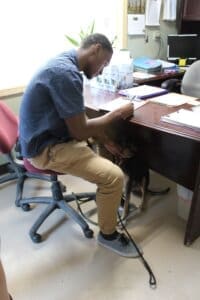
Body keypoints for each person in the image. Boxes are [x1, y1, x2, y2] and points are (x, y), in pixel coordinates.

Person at [19, 33, 138, 257]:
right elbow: (80, 130)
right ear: (95, 49)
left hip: (42, 136)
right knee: (114, 177)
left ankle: (111, 202)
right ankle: (108, 235)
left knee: (102, 141)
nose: (103, 70)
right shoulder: (66, 74)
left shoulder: (65, 61)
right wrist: (117, 113)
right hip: (45, 149)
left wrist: (106, 140)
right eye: (104, 63)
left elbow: (75, 118)